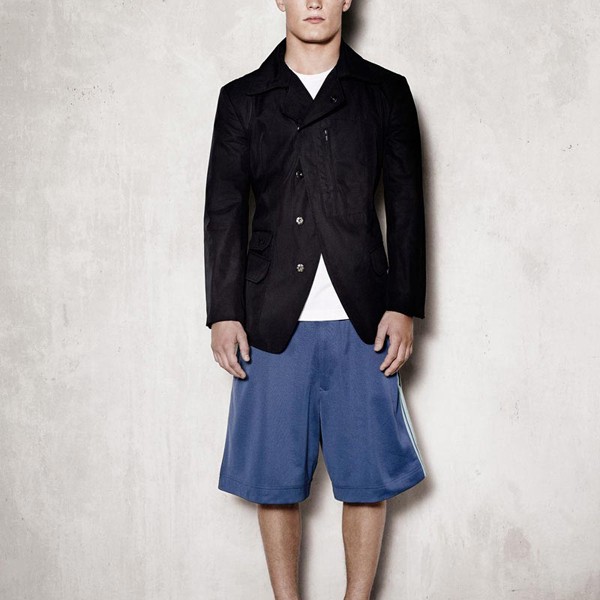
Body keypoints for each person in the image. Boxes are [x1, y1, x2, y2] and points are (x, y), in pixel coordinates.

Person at [203, 1, 428, 598]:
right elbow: (224, 210)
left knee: (367, 477)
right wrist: (224, 312)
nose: (313, 2)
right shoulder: (242, 98)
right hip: (270, 320)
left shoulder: (385, 92)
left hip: (365, 317)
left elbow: (407, 206)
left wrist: (403, 303)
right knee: (274, 480)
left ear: (347, 0)